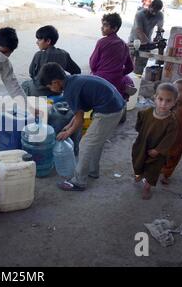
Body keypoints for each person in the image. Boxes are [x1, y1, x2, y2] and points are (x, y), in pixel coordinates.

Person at [40, 63, 125, 192]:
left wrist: (67, 133)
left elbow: (79, 120)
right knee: (95, 141)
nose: (51, 89)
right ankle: (92, 171)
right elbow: (78, 113)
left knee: (85, 144)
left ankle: (79, 182)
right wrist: (68, 126)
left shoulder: (70, 91)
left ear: (56, 82)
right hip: (115, 105)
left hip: (109, 111)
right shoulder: (73, 80)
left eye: (49, 86)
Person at [132, 83, 178, 200]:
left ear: (174, 102)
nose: (163, 104)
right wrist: (140, 132)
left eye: (168, 101)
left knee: (153, 169)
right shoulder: (146, 112)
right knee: (138, 161)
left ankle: (147, 187)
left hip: (157, 152)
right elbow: (140, 122)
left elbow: (170, 138)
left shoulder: (172, 122)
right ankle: (139, 174)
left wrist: (158, 150)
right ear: (155, 97)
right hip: (142, 145)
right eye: (160, 99)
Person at [22, 25, 81, 97]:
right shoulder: (64, 54)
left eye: (39, 40)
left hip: (40, 91)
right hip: (57, 91)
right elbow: (77, 71)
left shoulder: (38, 55)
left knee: (24, 85)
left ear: (48, 41)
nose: (37, 42)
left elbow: (32, 73)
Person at [90, 13, 135, 101]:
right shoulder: (124, 45)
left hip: (100, 78)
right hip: (116, 79)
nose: (102, 27)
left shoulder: (101, 42)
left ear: (114, 28)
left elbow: (92, 64)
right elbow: (130, 67)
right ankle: (125, 87)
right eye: (102, 24)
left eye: (105, 25)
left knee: (91, 78)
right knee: (127, 80)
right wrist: (118, 73)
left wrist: (96, 73)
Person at [128, 0, 164, 75]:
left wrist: (159, 36)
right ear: (150, 6)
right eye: (153, 10)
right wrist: (148, 43)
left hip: (146, 41)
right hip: (134, 41)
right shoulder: (139, 14)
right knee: (129, 65)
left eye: (156, 11)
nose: (154, 13)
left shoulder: (160, 15)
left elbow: (160, 28)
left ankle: (138, 76)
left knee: (140, 66)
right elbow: (139, 30)